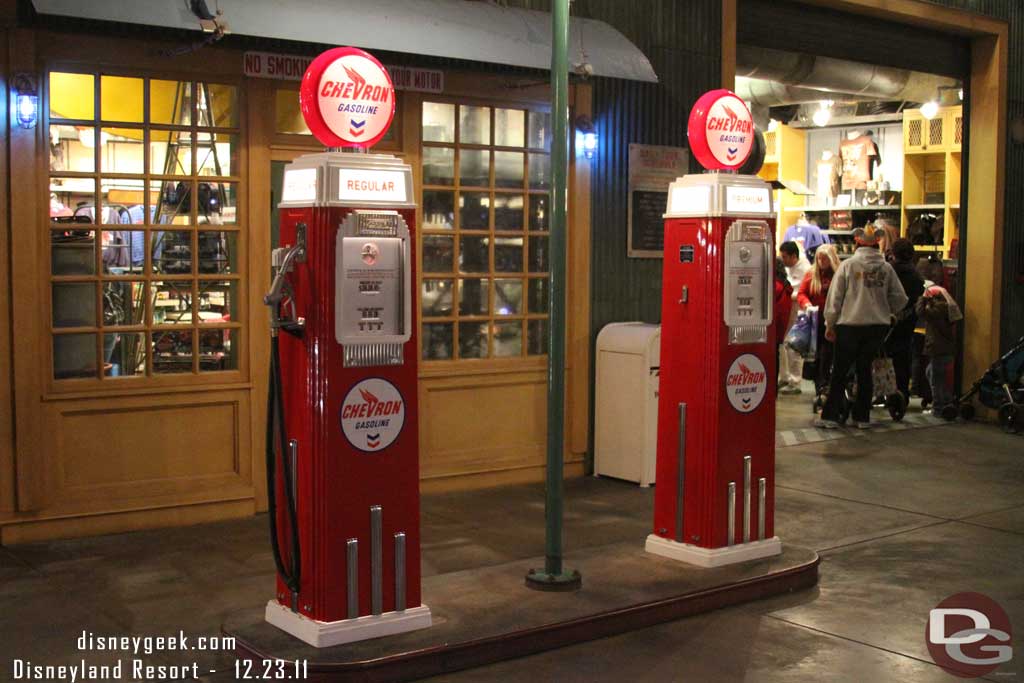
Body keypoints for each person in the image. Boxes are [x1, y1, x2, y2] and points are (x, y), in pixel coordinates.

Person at [816, 225, 909, 429]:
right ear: (878, 244)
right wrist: (887, 310)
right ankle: (862, 417)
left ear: (857, 243)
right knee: (865, 371)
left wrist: (830, 324)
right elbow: (901, 299)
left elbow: (835, 299)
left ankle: (831, 417)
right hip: (877, 327)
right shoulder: (886, 268)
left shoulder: (849, 266)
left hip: (850, 325)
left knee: (840, 372)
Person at [797, 244, 840, 401]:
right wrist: (807, 304)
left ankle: (828, 386)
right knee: (817, 356)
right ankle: (820, 388)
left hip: (834, 321)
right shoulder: (811, 274)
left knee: (829, 355)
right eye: (819, 258)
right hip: (815, 320)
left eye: (824, 258)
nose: (821, 261)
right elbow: (802, 293)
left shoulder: (839, 273)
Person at [885, 239, 925, 403]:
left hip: (887, 320)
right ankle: (902, 394)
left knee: (883, 356)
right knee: (903, 359)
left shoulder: (889, 271)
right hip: (908, 320)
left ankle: (883, 391)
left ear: (893, 253)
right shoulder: (916, 274)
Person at [916, 285, 962, 417]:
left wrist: (923, 298)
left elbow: (920, 312)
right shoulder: (947, 308)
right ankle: (946, 401)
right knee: (932, 373)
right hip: (946, 350)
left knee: (936, 381)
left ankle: (938, 408)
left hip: (938, 350)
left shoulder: (937, 310)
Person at [778, 241, 810, 395]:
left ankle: (795, 381)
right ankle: (785, 377)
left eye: (785, 257)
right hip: (788, 311)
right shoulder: (788, 268)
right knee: (783, 345)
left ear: (793, 256)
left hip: (800, 314)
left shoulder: (806, 270)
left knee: (794, 347)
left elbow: (803, 292)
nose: (782, 260)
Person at [774, 258, 793, 397]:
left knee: (773, 358)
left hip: (772, 329)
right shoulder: (785, 286)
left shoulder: (776, 286)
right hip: (780, 328)